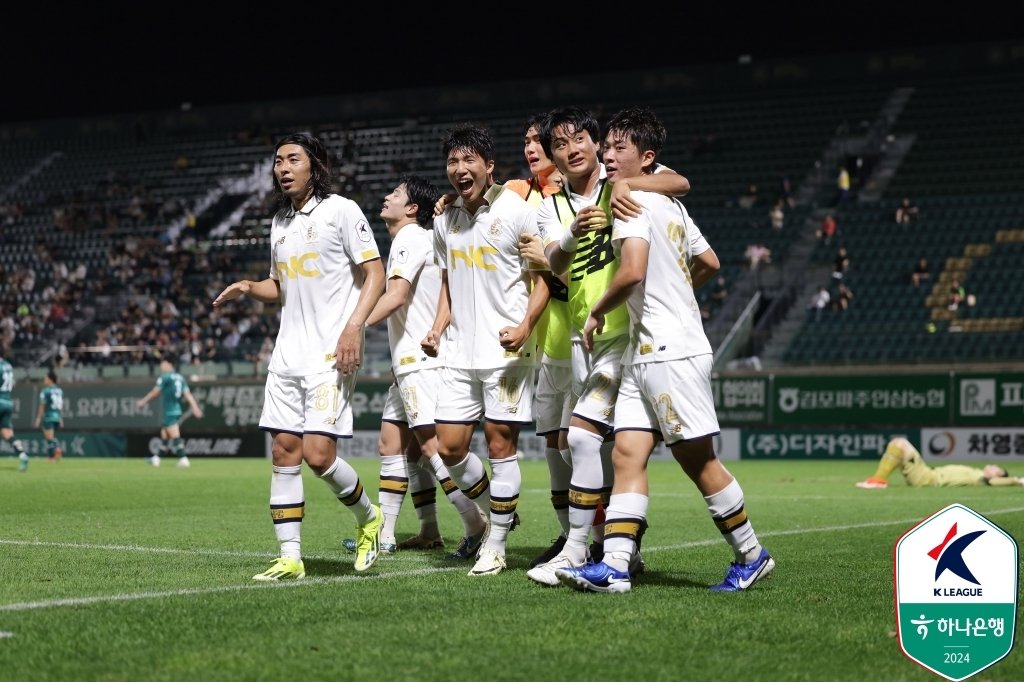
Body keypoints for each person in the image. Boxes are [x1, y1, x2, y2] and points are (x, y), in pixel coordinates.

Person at [555, 106, 773, 594]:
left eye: (618, 148)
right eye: (606, 146)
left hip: (669, 351)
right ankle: (614, 566)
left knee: (699, 462)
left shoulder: (631, 203)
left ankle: (752, 554)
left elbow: (631, 271)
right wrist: (674, 293)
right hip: (648, 349)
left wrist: (597, 311)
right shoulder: (667, 200)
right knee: (628, 454)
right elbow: (710, 261)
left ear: (646, 156)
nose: (607, 155)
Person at [212, 131, 386, 580]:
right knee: (283, 452)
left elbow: (375, 273)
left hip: (330, 355)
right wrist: (252, 288)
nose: (283, 168)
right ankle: (290, 556)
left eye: (293, 159)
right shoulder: (280, 223)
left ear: (315, 166)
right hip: (287, 356)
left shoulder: (341, 211)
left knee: (318, 455)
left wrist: (354, 328)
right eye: (277, 161)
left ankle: (370, 518)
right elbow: (280, 286)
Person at [528, 106, 690, 587]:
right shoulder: (550, 206)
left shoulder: (621, 174)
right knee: (605, 450)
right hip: (585, 336)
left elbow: (680, 183)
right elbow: (554, 264)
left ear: (596, 143)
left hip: (625, 334)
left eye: (579, 138)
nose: (571, 148)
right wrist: (572, 234)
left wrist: (627, 186)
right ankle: (619, 550)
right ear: (552, 156)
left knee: (584, 439)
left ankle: (579, 551)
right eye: (560, 143)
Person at [420, 122, 550, 577]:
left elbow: (543, 281)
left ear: (488, 166)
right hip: (459, 351)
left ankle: (494, 544)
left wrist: (525, 325)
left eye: (468, 160)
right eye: (452, 161)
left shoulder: (516, 211)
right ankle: (501, 510)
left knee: (500, 445)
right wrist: (438, 328)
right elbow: (447, 284)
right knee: (449, 448)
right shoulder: (444, 219)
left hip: (506, 352)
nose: (459, 169)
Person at [339, 174, 486, 555]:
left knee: (433, 449)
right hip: (410, 361)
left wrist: (353, 327)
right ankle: (408, 532)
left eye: (395, 194)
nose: (386, 196)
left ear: (412, 209)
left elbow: (397, 296)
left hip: (420, 362)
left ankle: (477, 522)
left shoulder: (409, 237)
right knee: (395, 446)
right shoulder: (421, 240)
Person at [856, 438, 1024, 489]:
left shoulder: (980, 478)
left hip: (928, 478)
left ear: (997, 475)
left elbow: (994, 482)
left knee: (900, 444)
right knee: (898, 446)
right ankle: (878, 479)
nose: (993, 467)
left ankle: (878, 480)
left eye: (997, 469)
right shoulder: (976, 472)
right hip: (928, 473)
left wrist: (1017, 480)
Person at [135, 358, 203, 468]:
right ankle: (157, 459)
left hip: (169, 410)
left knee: (174, 433)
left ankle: (183, 458)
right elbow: (187, 394)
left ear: (170, 364)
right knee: (165, 434)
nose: (161, 366)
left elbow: (155, 392)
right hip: (176, 409)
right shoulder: (180, 377)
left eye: (163, 363)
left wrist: (143, 401)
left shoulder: (165, 377)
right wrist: (195, 407)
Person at [0, 349, 29, 472]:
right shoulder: (9, 366)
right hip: (8, 402)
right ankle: (22, 455)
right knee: (7, 433)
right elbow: (12, 385)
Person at [33, 369, 64, 462]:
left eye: (46, 378)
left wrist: (38, 418)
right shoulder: (59, 391)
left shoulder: (45, 391)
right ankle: (56, 450)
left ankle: (52, 457)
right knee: (51, 437)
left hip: (49, 416)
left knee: (49, 439)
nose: (44, 380)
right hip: (57, 417)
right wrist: (61, 418)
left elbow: (42, 406)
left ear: (51, 379)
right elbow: (61, 405)